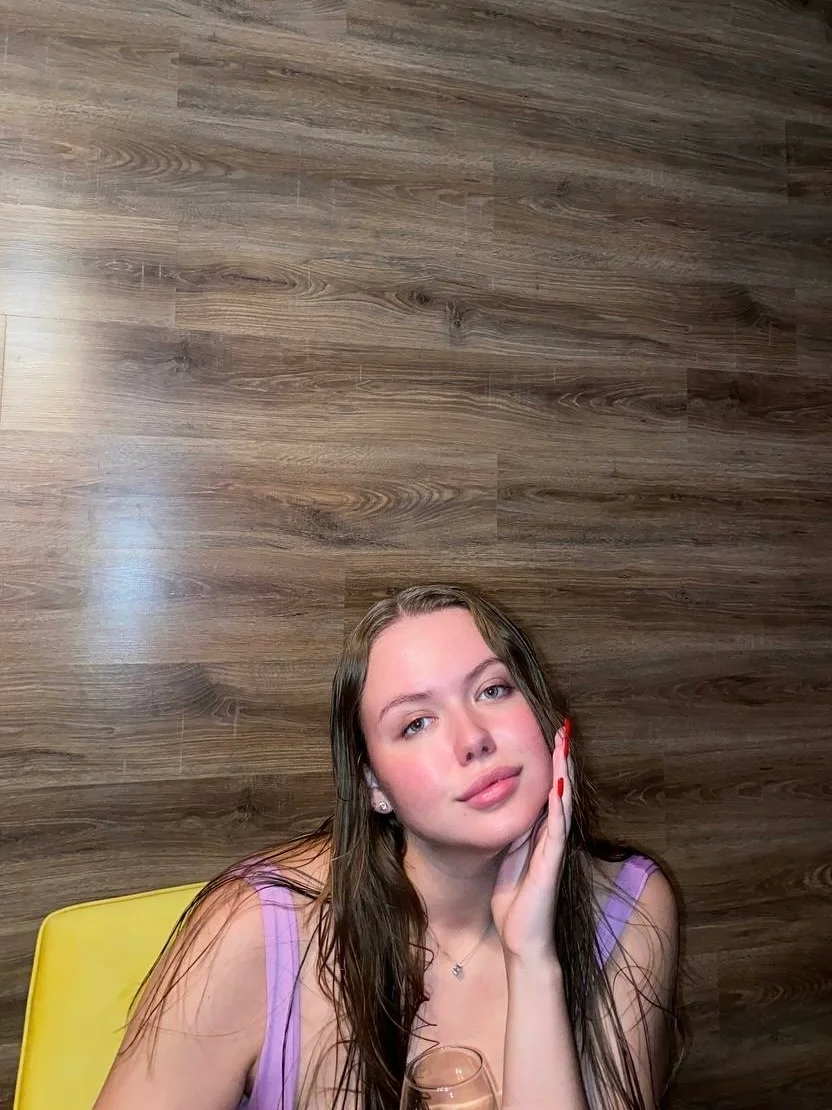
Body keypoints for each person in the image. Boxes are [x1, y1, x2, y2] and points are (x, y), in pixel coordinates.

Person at [93, 583, 689, 1110]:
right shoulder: (253, 928)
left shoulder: (630, 905)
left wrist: (532, 959)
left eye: (493, 690)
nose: (473, 738)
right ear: (373, 784)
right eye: (416, 723)